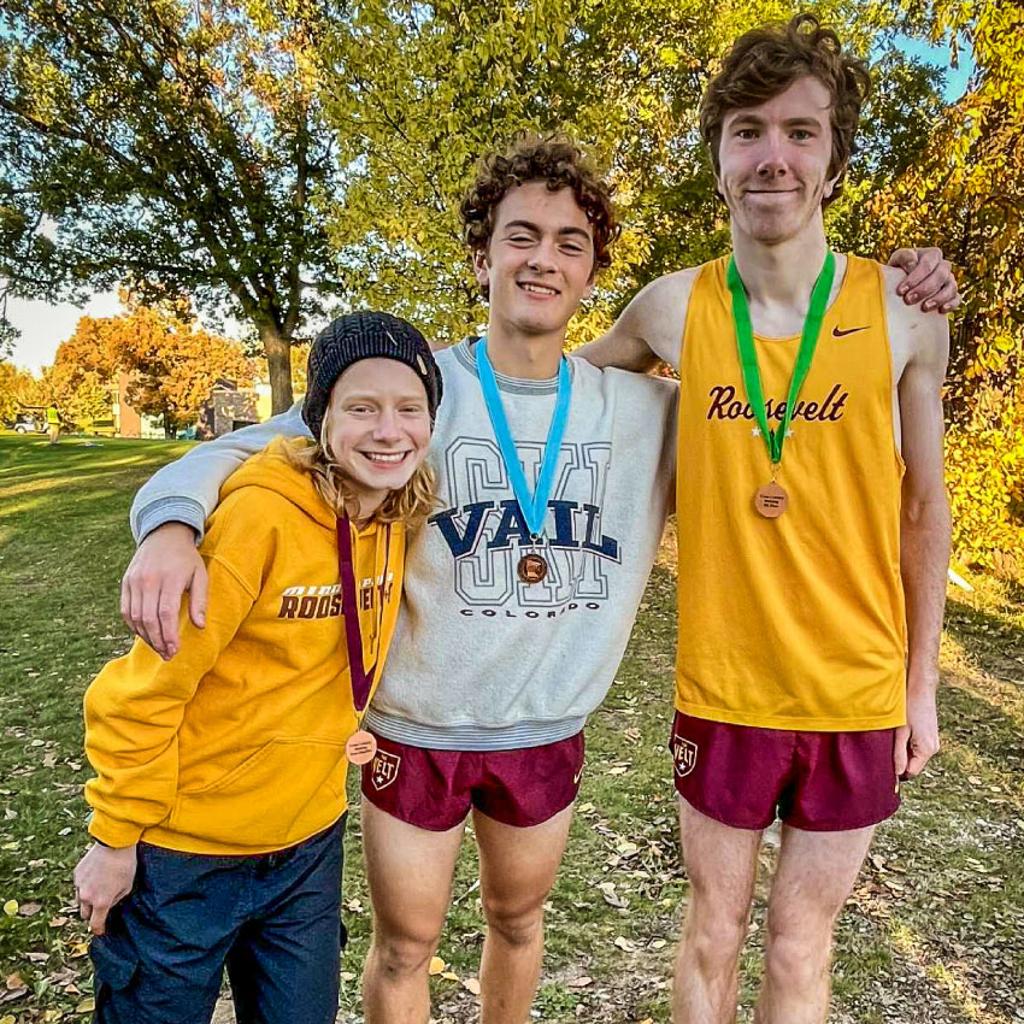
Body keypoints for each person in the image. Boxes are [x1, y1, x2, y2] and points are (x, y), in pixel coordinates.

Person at [118, 136, 957, 1022]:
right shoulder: (414, 392)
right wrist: (171, 524)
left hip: (545, 726)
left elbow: (807, 419)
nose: (543, 259)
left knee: (518, 926)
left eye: (570, 242)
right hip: (422, 723)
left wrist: (902, 289)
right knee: (405, 946)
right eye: (521, 236)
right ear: (482, 255)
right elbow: (244, 447)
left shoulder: (654, 411)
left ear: (596, 273)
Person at [584, 15, 951, 1024]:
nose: (772, 156)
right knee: (711, 932)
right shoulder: (669, 309)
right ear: (717, 158)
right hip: (724, 684)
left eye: (800, 131)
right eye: (746, 130)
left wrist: (919, 685)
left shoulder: (906, 311)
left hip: (855, 693)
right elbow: (550, 390)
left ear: (834, 162)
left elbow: (925, 505)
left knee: (799, 949)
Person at [74, 312, 443, 1024]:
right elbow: (143, 692)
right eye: (361, 407)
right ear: (319, 418)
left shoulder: (396, 517)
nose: (388, 431)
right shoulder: (258, 520)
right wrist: (114, 839)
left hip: (307, 847)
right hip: (185, 855)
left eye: (409, 408)